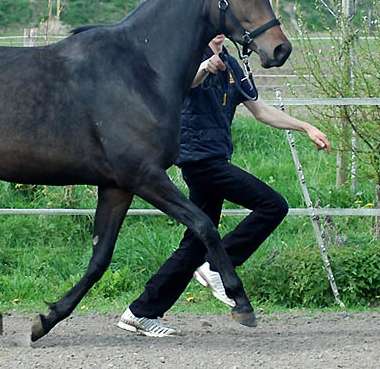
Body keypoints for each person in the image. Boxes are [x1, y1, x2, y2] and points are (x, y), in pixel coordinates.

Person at [116, 33, 331, 337]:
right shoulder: (188, 56)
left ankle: (139, 313)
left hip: (216, 157)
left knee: (195, 243)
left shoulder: (230, 62)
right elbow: (183, 83)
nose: (218, 31)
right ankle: (219, 264)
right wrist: (204, 66)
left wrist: (306, 126)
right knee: (272, 205)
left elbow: (260, 110)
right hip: (200, 161)